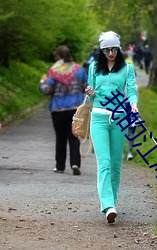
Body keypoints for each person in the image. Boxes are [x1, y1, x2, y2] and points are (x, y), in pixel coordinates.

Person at [85, 31, 138, 223]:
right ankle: (107, 205)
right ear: (101, 50)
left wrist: (133, 103)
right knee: (104, 163)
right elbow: (91, 96)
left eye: (114, 49)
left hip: (120, 119)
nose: (110, 53)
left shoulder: (127, 68)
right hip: (98, 118)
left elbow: (131, 90)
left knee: (116, 164)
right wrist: (90, 92)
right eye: (106, 50)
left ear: (119, 48)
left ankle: (112, 202)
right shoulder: (94, 68)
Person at [39, 45, 88, 175]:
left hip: (58, 109)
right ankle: (75, 163)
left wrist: (42, 83)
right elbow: (86, 87)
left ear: (58, 57)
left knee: (60, 138)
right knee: (74, 137)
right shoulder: (79, 70)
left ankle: (60, 166)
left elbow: (47, 90)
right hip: (75, 109)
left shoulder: (54, 71)